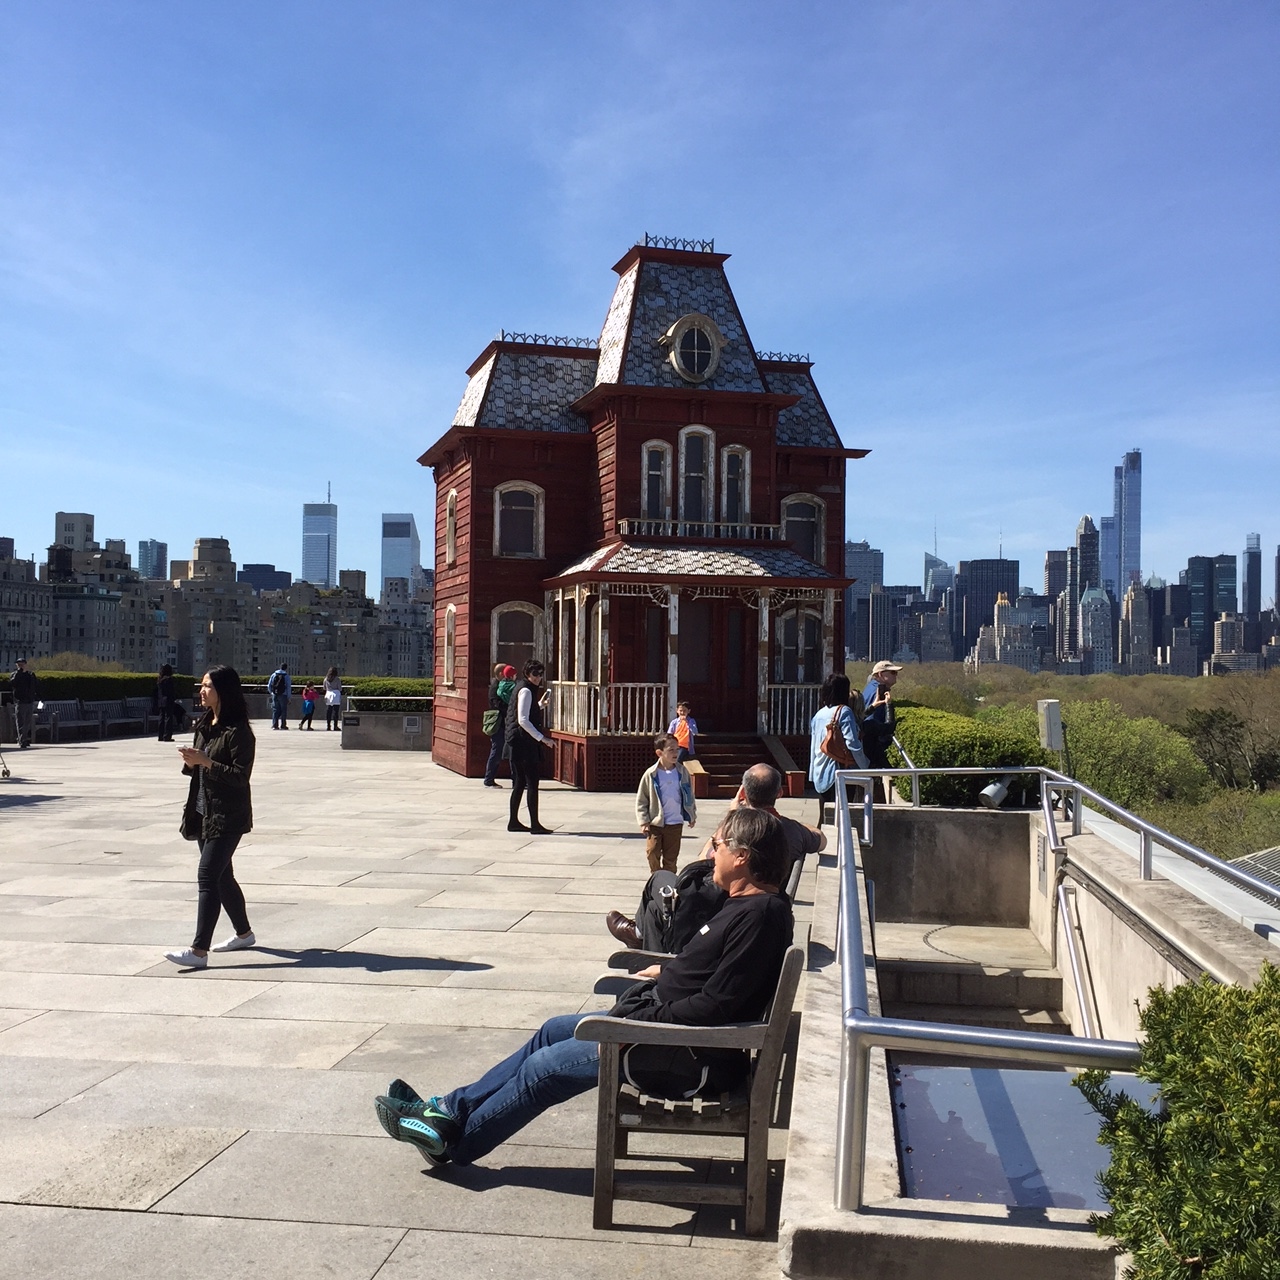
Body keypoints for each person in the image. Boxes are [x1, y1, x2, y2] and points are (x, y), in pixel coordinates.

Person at [374, 807, 793, 1169]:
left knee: (545, 1069)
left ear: (741, 857)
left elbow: (716, 1005)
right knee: (553, 1029)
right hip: (661, 1031)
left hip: (680, 1053)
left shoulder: (758, 917)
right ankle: (450, 1110)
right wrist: (664, 974)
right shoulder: (744, 906)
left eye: (718, 844)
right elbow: (711, 974)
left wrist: (635, 1025)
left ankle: (454, 1144)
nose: (711, 850)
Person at [608, 763, 824, 950]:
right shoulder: (792, 831)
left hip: (709, 909)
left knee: (659, 878)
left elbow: (701, 863)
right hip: (752, 905)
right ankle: (641, 937)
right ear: (779, 794)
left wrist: (731, 817)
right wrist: (798, 825)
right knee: (654, 911)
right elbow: (821, 839)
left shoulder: (734, 831)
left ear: (743, 794)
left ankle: (639, 935)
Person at [164, 665, 257, 969]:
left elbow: (240, 777)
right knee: (223, 877)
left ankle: (198, 951)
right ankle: (243, 934)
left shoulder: (239, 731)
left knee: (207, 876)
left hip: (229, 814)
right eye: (201, 686)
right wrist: (192, 762)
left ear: (223, 691)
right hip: (204, 809)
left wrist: (206, 762)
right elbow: (201, 766)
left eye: (207, 686)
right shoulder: (206, 722)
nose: (201, 691)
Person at [809, 672, 868, 824]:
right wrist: (865, 766)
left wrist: (812, 774)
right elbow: (853, 744)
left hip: (820, 771)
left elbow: (814, 745)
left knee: (824, 816)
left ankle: (822, 844)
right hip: (840, 770)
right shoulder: (845, 712)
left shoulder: (819, 714)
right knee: (842, 816)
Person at [635, 733, 697, 874]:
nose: (676, 753)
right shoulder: (651, 774)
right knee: (652, 852)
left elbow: (689, 795)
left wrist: (691, 814)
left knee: (671, 858)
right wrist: (644, 821)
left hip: (675, 822)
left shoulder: (682, 772)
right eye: (671, 750)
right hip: (656, 822)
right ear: (659, 753)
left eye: (677, 749)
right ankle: (656, 877)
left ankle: (668, 885)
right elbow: (642, 799)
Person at [504, 659, 552, 834]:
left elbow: (523, 712)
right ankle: (535, 825)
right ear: (527, 674)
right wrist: (543, 739)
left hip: (515, 741)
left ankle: (514, 821)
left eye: (540, 674)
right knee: (532, 783)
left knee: (520, 782)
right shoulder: (526, 690)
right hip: (523, 743)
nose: (538, 678)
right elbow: (523, 720)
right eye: (535, 674)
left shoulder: (523, 688)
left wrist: (539, 705)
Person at [861, 660, 902, 803]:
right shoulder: (877, 691)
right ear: (880, 674)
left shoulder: (871, 688)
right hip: (871, 747)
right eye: (892, 672)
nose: (896, 675)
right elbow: (871, 724)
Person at [482, 664, 516, 788]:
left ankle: (513, 779)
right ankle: (489, 779)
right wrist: (512, 710)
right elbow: (497, 704)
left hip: (504, 723)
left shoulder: (500, 686)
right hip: (499, 724)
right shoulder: (495, 687)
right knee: (497, 750)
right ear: (501, 674)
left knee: (503, 750)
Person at [10, 658, 37, 749]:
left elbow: (34, 686)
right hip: (20, 701)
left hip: (29, 701)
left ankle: (23, 738)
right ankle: (22, 740)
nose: (21, 666)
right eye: (19, 664)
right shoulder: (15, 674)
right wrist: (19, 672)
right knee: (20, 722)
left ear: (26, 664)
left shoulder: (30, 675)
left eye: (22, 664)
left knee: (27, 722)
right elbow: (13, 683)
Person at [154, 664, 177, 742]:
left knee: (161, 718)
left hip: (161, 701)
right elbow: (171, 691)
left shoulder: (159, 680)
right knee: (168, 718)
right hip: (168, 700)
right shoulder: (169, 679)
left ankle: (160, 736)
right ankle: (167, 736)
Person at [268, 663, 291, 730]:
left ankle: (275, 725)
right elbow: (288, 687)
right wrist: (289, 697)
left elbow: (269, 685)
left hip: (275, 694)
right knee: (283, 710)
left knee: (275, 709)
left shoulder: (274, 674)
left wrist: (272, 692)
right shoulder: (286, 676)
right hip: (283, 695)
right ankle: (283, 725)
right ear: (286, 668)